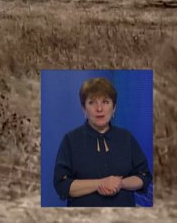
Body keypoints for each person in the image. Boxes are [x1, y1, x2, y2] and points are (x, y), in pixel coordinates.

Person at [53, 77, 152, 207]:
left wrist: (120, 183)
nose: (99, 109)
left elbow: (144, 176)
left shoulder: (126, 138)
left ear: (114, 107)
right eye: (92, 102)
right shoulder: (70, 140)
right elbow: (62, 184)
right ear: (84, 109)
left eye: (105, 102)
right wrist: (100, 183)